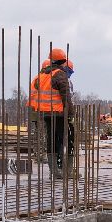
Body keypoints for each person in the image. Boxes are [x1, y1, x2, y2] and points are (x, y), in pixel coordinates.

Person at [29, 46, 73, 175]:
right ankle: (67, 170)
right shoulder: (59, 74)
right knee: (66, 139)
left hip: (45, 113)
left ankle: (54, 170)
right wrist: (70, 114)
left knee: (51, 139)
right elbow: (66, 96)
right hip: (58, 113)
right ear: (62, 61)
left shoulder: (42, 75)